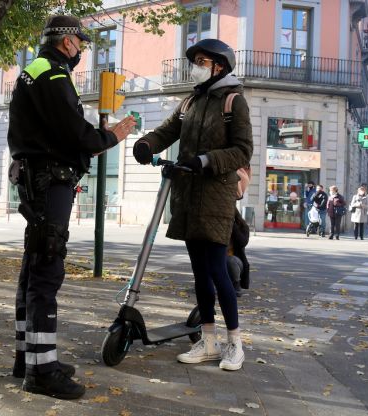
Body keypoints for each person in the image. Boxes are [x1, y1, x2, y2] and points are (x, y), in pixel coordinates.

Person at [7, 15, 136, 400]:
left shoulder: (36, 69)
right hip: (50, 179)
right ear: (66, 42)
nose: (81, 49)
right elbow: (75, 133)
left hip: (39, 176)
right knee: (47, 270)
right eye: (80, 42)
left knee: (34, 268)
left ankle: (30, 358)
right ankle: (42, 373)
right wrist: (110, 136)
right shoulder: (53, 74)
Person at [133, 38, 253, 371]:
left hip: (215, 196)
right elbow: (168, 130)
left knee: (217, 270)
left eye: (202, 61)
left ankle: (235, 344)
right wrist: (145, 144)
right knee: (199, 272)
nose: (195, 66)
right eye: (195, 61)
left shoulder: (233, 102)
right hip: (188, 196)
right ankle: (209, 340)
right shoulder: (190, 102)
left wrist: (206, 160)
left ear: (219, 66)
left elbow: (242, 151)